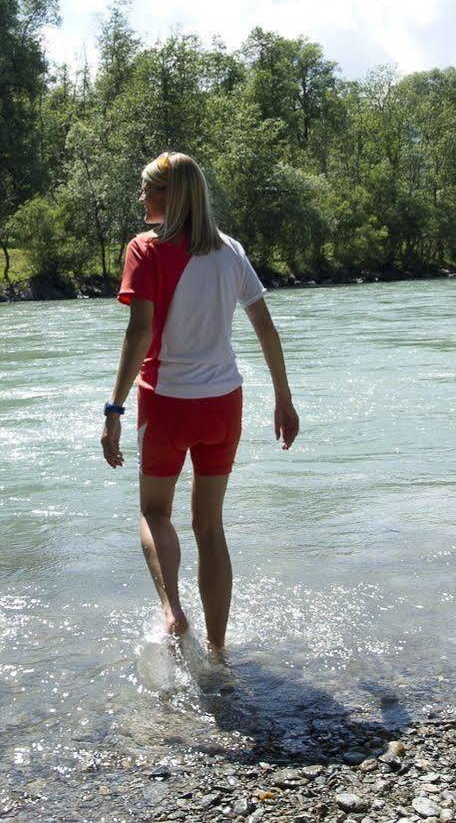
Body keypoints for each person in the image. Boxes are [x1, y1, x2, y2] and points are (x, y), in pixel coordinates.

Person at [100, 151, 299, 650]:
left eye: (147, 188)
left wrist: (114, 408)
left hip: (166, 401)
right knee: (210, 526)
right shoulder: (231, 250)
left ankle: (171, 612)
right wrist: (283, 398)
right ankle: (217, 649)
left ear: (170, 195)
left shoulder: (144, 249)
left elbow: (140, 331)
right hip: (223, 405)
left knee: (153, 513)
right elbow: (265, 326)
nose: (141, 196)